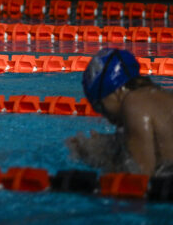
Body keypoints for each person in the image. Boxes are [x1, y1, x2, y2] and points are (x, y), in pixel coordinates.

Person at [68, 48, 173, 176]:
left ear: (117, 91)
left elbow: (137, 178)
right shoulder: (157, 98)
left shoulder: (134, 104)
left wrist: (94, 157)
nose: (105, 116)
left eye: (99, 106)